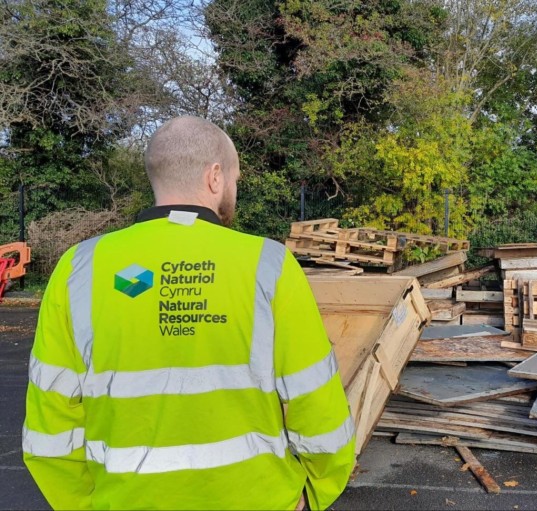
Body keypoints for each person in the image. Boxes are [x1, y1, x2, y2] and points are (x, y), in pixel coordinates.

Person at [22, 116, 355, 510]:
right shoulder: (270, 266)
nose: (234, 189)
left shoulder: (79, 269)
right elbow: (315, 401)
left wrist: (83, 503)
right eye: (234, 179)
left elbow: (51, 418)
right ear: (215, 177)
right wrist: (315, 490)